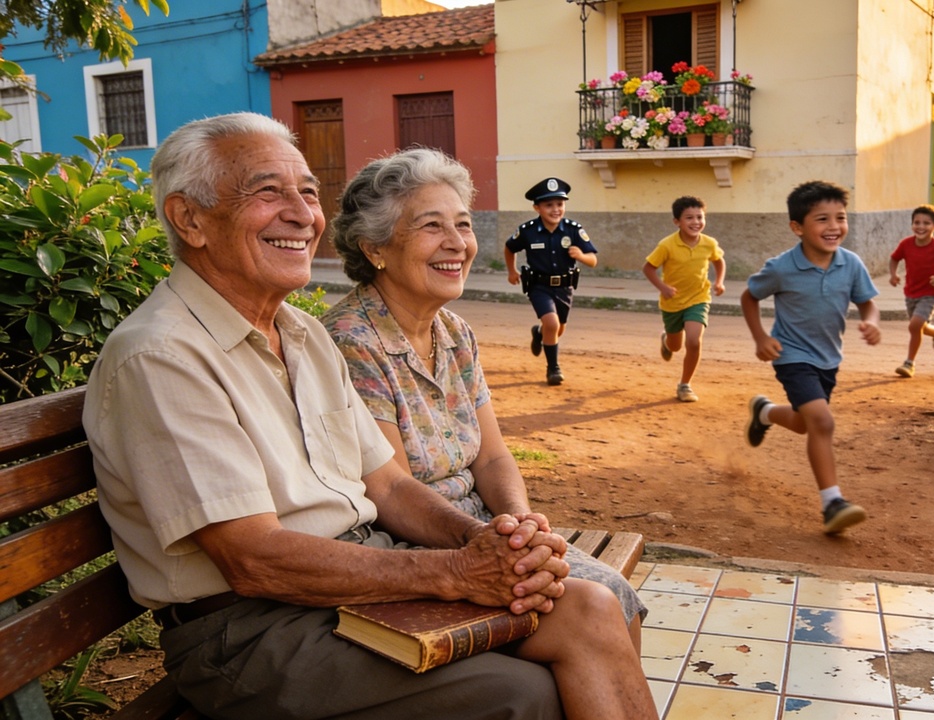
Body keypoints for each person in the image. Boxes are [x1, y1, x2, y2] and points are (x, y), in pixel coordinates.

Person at [82, 113, 657, 720]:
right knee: (521, 693)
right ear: (189, 219)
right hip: (249, 630)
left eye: (308, 191)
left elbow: (387, 483)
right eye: (268, 191)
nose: (303, 214)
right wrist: (458, 572)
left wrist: (485, 539)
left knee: (590, 607)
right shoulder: (161, 356)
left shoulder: (299, 333)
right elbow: (252, 558)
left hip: (355, 577)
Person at [323, 148, 646, 650]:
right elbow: (393, 494)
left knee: (613, 592)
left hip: (484, 533)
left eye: (464, 225)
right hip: (420, 551)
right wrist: (489, 546)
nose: (458, 244)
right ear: (375, 248)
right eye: (432, 226)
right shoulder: (351, 341)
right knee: (592, 610)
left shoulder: (455, 332)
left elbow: (493, 455)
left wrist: (521, 525)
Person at [741, 180, 881, 535]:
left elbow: (867, 302)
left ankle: (765, 412)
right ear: (797, 227)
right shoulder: (781, 267)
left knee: (806, 423)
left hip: (828, 359)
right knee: (822, 422)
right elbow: (749, 297)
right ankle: (832, 502)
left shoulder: (851, 264)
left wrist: (871, 321)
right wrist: (761, 337)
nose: (834, 227)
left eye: (840, 218)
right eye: (822, 219)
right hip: (791, 355)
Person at [504, 178, 598, 386]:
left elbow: (593, 260)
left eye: (560, 204)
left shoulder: (573, 230)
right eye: (549, 205)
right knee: (552, 323)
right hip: (539, 286)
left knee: (557, 328)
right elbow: (510, 247)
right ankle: (553, 368)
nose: (555, 209)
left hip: (564, 287)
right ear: (537, 207)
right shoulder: (528, 230)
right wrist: (511, 271)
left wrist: (581, 256)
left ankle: (539, 333)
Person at [641, 195, 726, 402]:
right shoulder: (666, 245)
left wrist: (719, 281)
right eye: (689, 218)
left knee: (694, 341)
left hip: (699, 297)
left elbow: (719, 261)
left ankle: (685, 385)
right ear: (677, 222)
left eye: (700, 217)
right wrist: (663, 287)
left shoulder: (709, 243)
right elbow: (648, 268)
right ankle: (666, 340)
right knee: (675, 345)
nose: (696, 222)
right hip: (672, 303)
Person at [888, 204, 934, 378]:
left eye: (926, 223)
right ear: (912, 224)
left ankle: (909, 363)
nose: (921, 227)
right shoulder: (906, 244)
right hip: (910, 292)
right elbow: (894, 258)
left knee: (914, 326)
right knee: (919, 327)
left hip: (930, 293)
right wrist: (893, 274)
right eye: (917, 222)